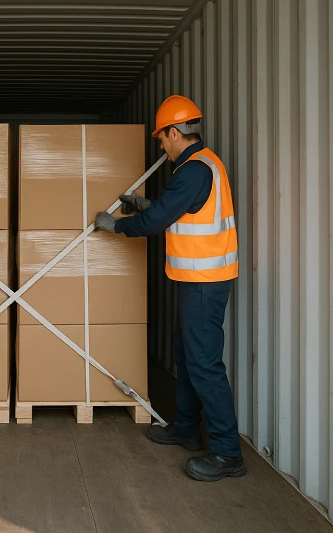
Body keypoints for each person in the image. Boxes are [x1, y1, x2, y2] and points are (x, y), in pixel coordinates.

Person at [94, 95, 245, 482]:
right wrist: (146, 204)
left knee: (205, 364)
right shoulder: (201, 166)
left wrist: (116, 225)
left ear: (176, 133)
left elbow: (159, 221)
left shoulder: (194, 170)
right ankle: (187, 428)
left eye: (162, 138)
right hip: (195, 281)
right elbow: (179, 210)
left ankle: (228, 453)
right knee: (185, 354)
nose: (161, 145)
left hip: (203, 283)